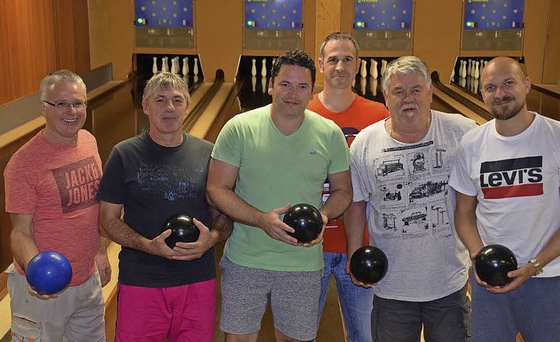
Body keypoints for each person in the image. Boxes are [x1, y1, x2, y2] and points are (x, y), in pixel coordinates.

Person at [206, 49, 352, 342]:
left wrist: (322, 216)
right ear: (271, 85)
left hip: (303, 263)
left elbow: (343, 191)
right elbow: (216, 189)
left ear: (313, 91)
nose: (292, 93)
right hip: (245, 260)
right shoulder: (239, 128)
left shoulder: (330, 133)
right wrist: (261, 220)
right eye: (285, 84)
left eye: (302, 87)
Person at [449, 56, 560, 342]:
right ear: (482, 94)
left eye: (508, 83)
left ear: (526, 85)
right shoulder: (472, 144)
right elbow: (463, 214)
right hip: (489, 283)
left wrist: (534, 266)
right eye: (490, 87)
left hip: (550, 279)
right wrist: (479, 258)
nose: (500, 93)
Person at [346, 56, 475, 342]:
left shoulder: (463, 132)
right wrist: (355, 252)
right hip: (391, 285)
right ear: (386, 97)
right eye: (399, 91)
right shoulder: (365, 143)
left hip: (448, 283)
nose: (408, 99)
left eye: (416, 89)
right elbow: (356, 204)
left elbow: (483, 195)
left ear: (430, 92)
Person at [97, 72, 232, 342]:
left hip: (197, 280)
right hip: (141, 280)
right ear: (145, 107)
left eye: (177, 100)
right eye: (160, 100)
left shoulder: (210, 153)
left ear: (187, 106)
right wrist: (149, 245)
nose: (169, 107)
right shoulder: (124, 154)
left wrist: (211, 240)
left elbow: (224, 216)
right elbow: (107, 220)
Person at [4, 70, 111, 342]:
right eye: (61, 104)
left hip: (87, 282)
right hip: (44, 290)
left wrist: (100, 251)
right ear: (43, 108)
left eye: (78, 102)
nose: (71, 111)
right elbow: (20, 232)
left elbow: (92, 207)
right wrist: (35, 271)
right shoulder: (23, 163)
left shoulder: (89, 142)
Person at [307, 31, 389, 342]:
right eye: (333, 59)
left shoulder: (379, 115)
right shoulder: (303, 112)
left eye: (347, 59)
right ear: (320, 65)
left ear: (357, 65)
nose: (340, 66)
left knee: (364, 336)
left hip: (361, 243)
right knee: (301, 333)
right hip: (309, 247)